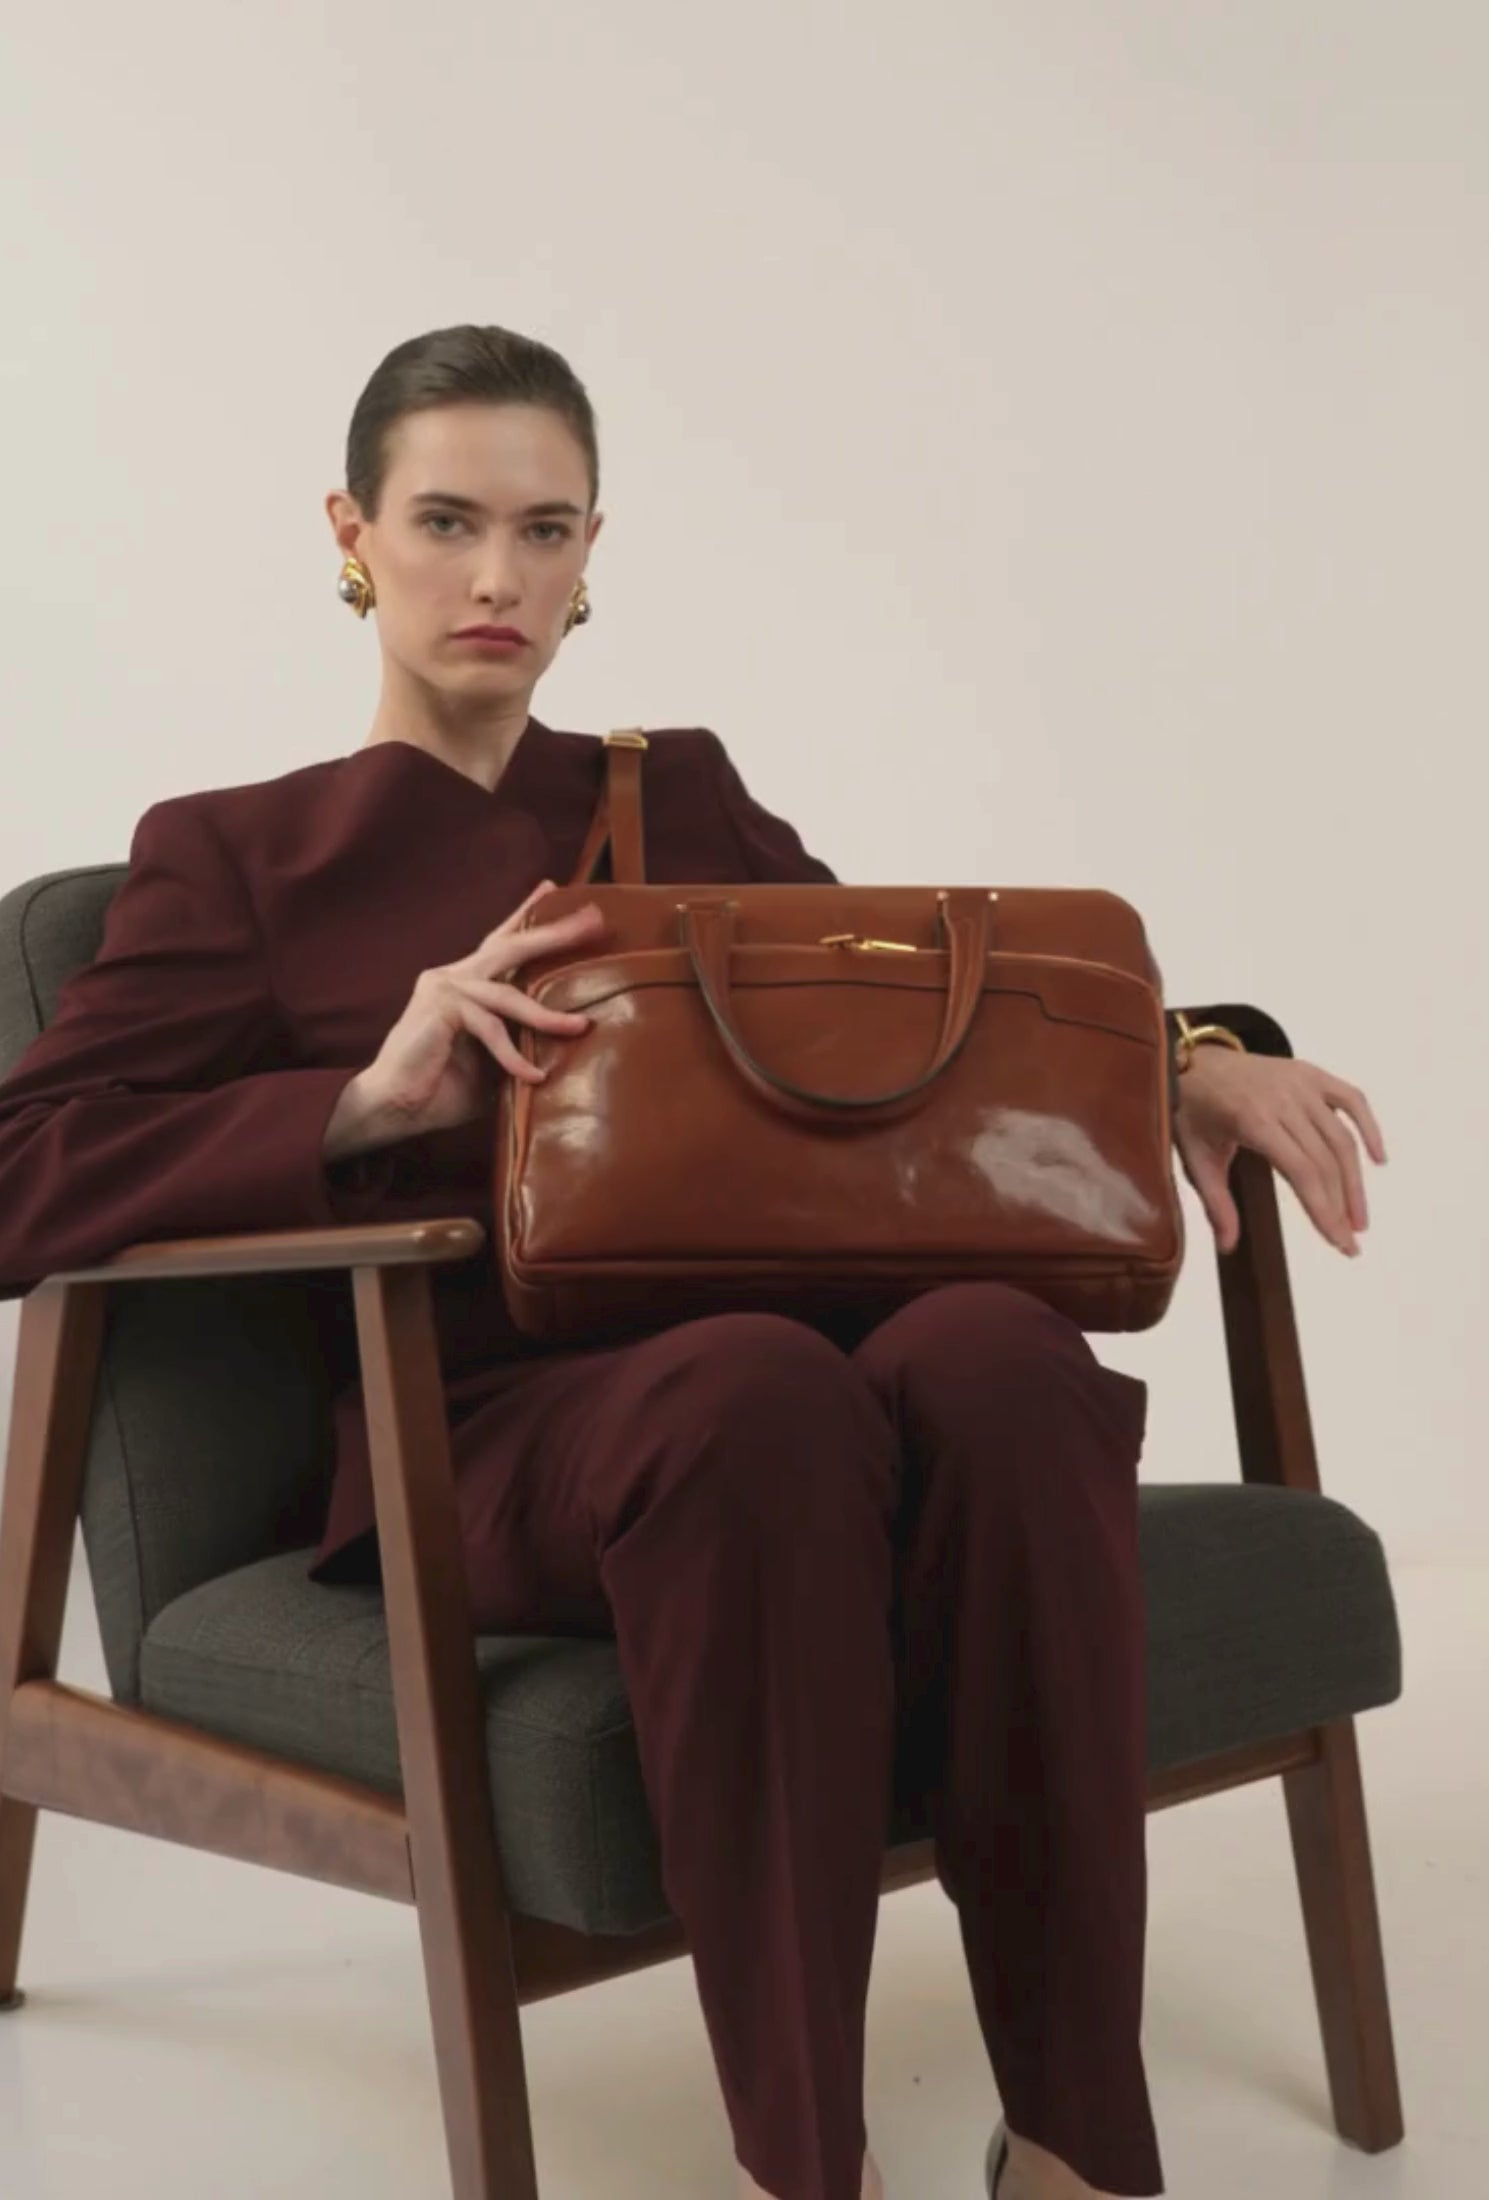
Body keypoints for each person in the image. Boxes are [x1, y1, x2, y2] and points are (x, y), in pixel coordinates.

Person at [0, 326, 1387, 2200]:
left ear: (593, 551)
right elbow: (22, 1168)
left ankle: (1081, 2151)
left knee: (994, 1358)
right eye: (446, 521)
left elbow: (905, 1044)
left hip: (807, 1382)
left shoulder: (682, 798)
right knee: (757, 1391)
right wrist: (362, 1097)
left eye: (544, 529)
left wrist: (1187, 1062)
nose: (496, 577)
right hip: (496, 1436)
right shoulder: (242, 860)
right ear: (351, 533)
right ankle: (810, 2169)